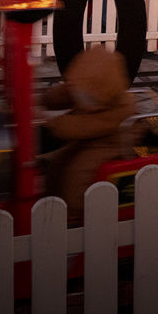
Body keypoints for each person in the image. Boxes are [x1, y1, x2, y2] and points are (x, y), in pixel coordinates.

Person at [41, 47, 136, 223]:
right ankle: (51, 203)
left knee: (77, 173)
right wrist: (44, 100)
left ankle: (76, 215)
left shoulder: (120, 109)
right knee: (58, 162)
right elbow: (66, 94)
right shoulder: (86, 85)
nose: (80, 97)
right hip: (92, 139)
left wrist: (51, 124)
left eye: (84, 95)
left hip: (109, 143)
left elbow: (83, 126)